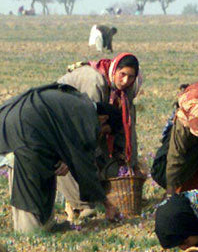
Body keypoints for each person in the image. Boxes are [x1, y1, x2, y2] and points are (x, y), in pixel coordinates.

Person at [0, 84, 122, 232]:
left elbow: (65, 140)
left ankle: (47, 225)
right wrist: (107, 204)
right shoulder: (88, 116)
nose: (100, 135)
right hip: (22, 129)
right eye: (104, 131)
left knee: (48, 166)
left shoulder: (79, 104)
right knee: (28, 181)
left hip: (12, 119)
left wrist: (65, 160)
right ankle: (29, 232)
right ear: (103, 118)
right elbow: (83, 164)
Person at [56, 54, 142, 221]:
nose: (125, 81)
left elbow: (127, 127)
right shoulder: (95, 82)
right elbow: (88, 125)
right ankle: (77, 204)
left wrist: (130, 162)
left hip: (88, 118)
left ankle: (91, 197)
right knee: (74, 155)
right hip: (64, 117)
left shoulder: (124, 92)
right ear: (115, 70)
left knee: (103, 156)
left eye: (131, 77)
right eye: (122, 74)